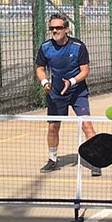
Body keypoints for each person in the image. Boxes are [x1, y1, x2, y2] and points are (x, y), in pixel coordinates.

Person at [35, 13, 98, 175]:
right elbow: (40, 68)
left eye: (58, 27)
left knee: (87, 124)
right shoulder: (45, 47)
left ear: (67, 29)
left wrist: (71, 82)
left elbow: (85, 71)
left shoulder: (78, 47)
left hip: (78, 92)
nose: (55, 31)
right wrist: (45, 82)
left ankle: (96, 160)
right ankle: (52, 159)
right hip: (56, 94)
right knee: (53, 127)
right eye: (52, 28)